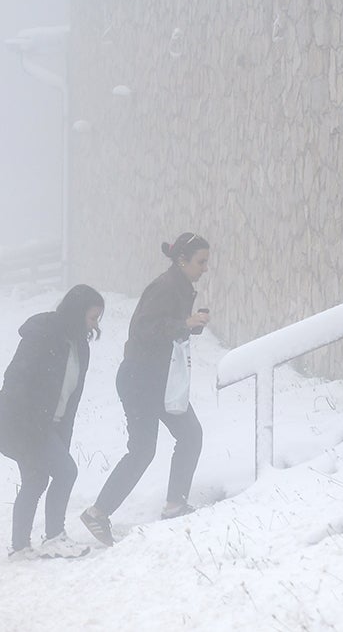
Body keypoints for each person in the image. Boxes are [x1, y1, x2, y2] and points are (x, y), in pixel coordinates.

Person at [79, 233, 210, 547]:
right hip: (141, 378)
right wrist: (184, 323)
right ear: (182, 261)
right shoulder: (164, 287)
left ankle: (175, 504)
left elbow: (166, 327)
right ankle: (97, 513)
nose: (205, 268)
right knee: (143, 450)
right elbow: (144, 329)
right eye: (200, 262)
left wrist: (190, 324)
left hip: (158, 379)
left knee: (190, 434)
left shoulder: (178, 286)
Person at [0, 284, 105, 559]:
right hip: (24, 423)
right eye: (92, 317)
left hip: (50, 424)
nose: (94, 324)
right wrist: (31, 423)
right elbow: (16, 378)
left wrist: (61, 437)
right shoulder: (43, 336)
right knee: (66, 472)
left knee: (35, 481)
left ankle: (20, 547)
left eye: (97, 318)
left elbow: (69, 396)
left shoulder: (79, 345)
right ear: (76, 313)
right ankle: (54, 537)